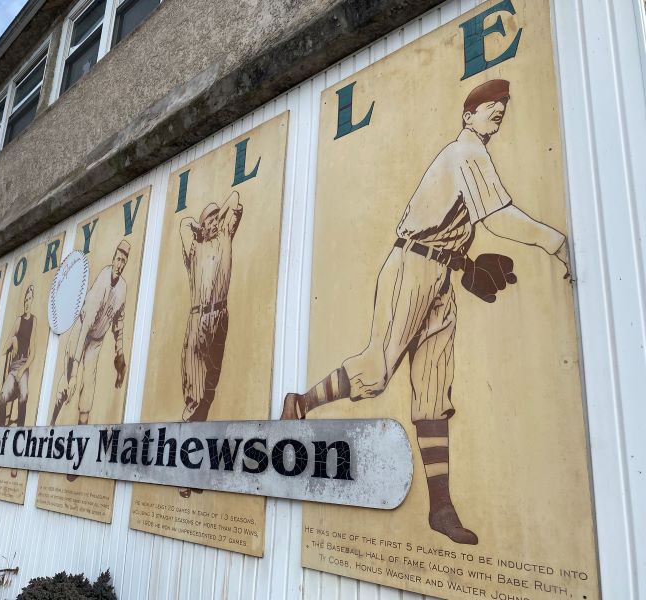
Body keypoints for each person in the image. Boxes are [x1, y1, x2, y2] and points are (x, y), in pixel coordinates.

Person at [281, 80, 571, 545]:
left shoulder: (477, 155)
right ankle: (301, 403)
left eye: (501, 109)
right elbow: (497, 218)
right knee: (375, 372)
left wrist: (465, 264)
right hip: (411, 266)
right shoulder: (465, 153)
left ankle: (441, 509)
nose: (497, 112)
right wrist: (556, 243)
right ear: (467, 115)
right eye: (488, 107)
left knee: (434, 395)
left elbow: (461, 224)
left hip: (439, 275)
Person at [177, 190, 243, 498]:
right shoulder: (196, 249)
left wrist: (219, 215)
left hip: (221, 318)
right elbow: (183, 224)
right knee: (194, 397)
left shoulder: (225, 237)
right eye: (210, 220)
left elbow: (235, 196)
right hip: (198, 321)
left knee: (209, 395)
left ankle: (195, 468)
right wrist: (199, 226)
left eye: (217, 219)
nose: (215, 223)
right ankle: (183, 471)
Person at [51, 239, 130, 429]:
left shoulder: (123, 288)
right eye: (118, 259)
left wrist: (119, 352)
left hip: (96, 341)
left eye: (123, 261)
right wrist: (75, 372)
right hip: (81, 331)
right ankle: (51, 424)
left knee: (89, 387)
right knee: (69, 380)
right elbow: (86, 326)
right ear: (113, 259)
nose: (119, 264)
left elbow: (118, 322)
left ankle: (81, 431)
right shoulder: (103, 280)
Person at [0, 285, 37, 476]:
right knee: (2, 399)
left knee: (25, 396)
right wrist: (12, 342)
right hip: (13, 367)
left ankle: (17, 456)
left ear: (32, 301)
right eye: (26, 299)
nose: (28, 302)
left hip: (24, 366)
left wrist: (24, 370)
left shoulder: (33, 321)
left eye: (30, 299)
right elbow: (5, 345)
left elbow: (33, 351)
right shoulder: (19, 320)